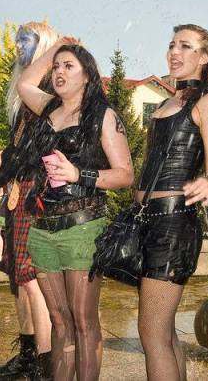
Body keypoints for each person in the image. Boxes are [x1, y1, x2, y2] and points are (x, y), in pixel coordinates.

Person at [17, 38, 134, 381]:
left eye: (69, 66)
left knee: (83, 321)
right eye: (56, 67)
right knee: (59, 320)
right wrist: (56, 48)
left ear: (87, 75)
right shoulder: (48, 107)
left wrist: (78, 174)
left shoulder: (102, 115)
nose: (59, 72)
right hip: (42, 229)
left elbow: (126, 174)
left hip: (83, 228)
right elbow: (25, 83)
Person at [134, 24, 208, 380]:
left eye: (185, 46)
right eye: (172, 45)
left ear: (203, 57)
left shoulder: (207, 102)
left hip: (173, 224)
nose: (174, 52)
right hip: (147, 221)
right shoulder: (164, 103)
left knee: (151, 331)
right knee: (164, 331)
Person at [0, 21, 58, 381]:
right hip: (19, 189)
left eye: (25, 40)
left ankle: (45, 366)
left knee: (32, 279)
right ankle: (28, 356)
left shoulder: (49, 87)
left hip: (38, 191)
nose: (17, 46)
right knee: (17, 278)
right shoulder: (22, 97)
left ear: (43, 45)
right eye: (17, 41)